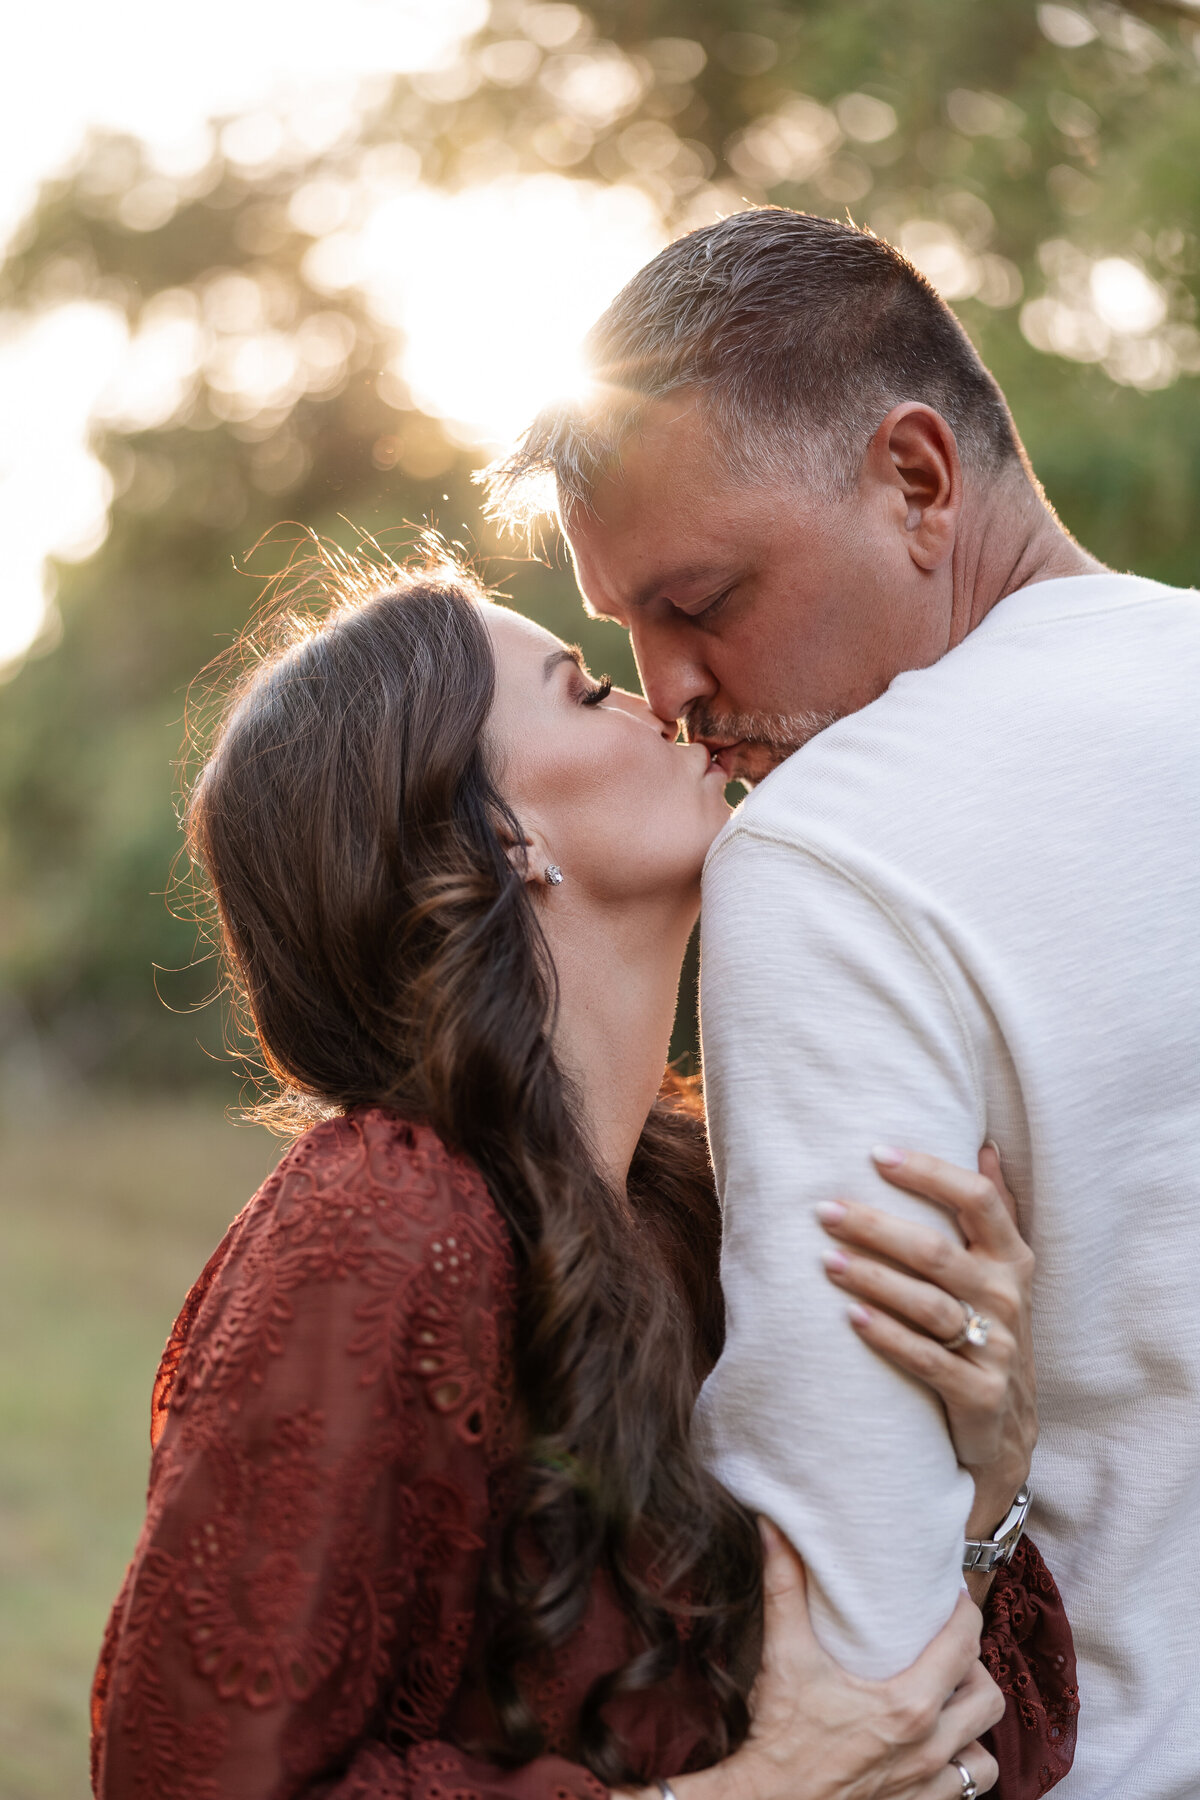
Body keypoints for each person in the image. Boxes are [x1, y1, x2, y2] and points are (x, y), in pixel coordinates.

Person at [91, 564, 1075, 1800]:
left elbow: (930, 1746)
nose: (662, 702)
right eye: (591, 687)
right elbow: (190, 1778)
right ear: (501, 834)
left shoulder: (702, 1203)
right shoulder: (385, 1222)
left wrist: (986, 1478)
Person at [486, 205, 1200, 1799]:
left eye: (702, 599)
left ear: (918, 481)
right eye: (623, 636)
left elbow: (842, 1565)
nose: (667, 694)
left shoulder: (829, 848)